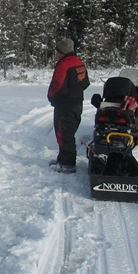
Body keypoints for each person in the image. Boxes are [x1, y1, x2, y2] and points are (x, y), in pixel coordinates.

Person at [47, 38, 90, 173]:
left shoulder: (64, 64)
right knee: (68, 132)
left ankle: (68, 164)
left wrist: (52, 97)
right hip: (77, 103)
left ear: (62, 51)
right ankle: (62, 159)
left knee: (63, 134)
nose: (56, 54)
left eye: (57, 51)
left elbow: (57, 84)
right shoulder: (79, 62)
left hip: (65, 105)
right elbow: (85, 83)